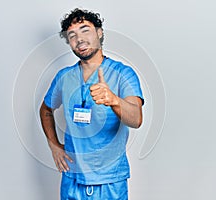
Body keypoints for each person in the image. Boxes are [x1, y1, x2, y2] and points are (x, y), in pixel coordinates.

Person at [40, 8, 144, 200]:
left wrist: (114, 100)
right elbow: (46, 109)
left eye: (85, 30)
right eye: (72, 35)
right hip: (72, 180)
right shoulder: (64, 77)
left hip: (110, 181)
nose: (79, 39)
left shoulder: (123, 74)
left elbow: (136, 119)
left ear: (99, 32)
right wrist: (53, 145)